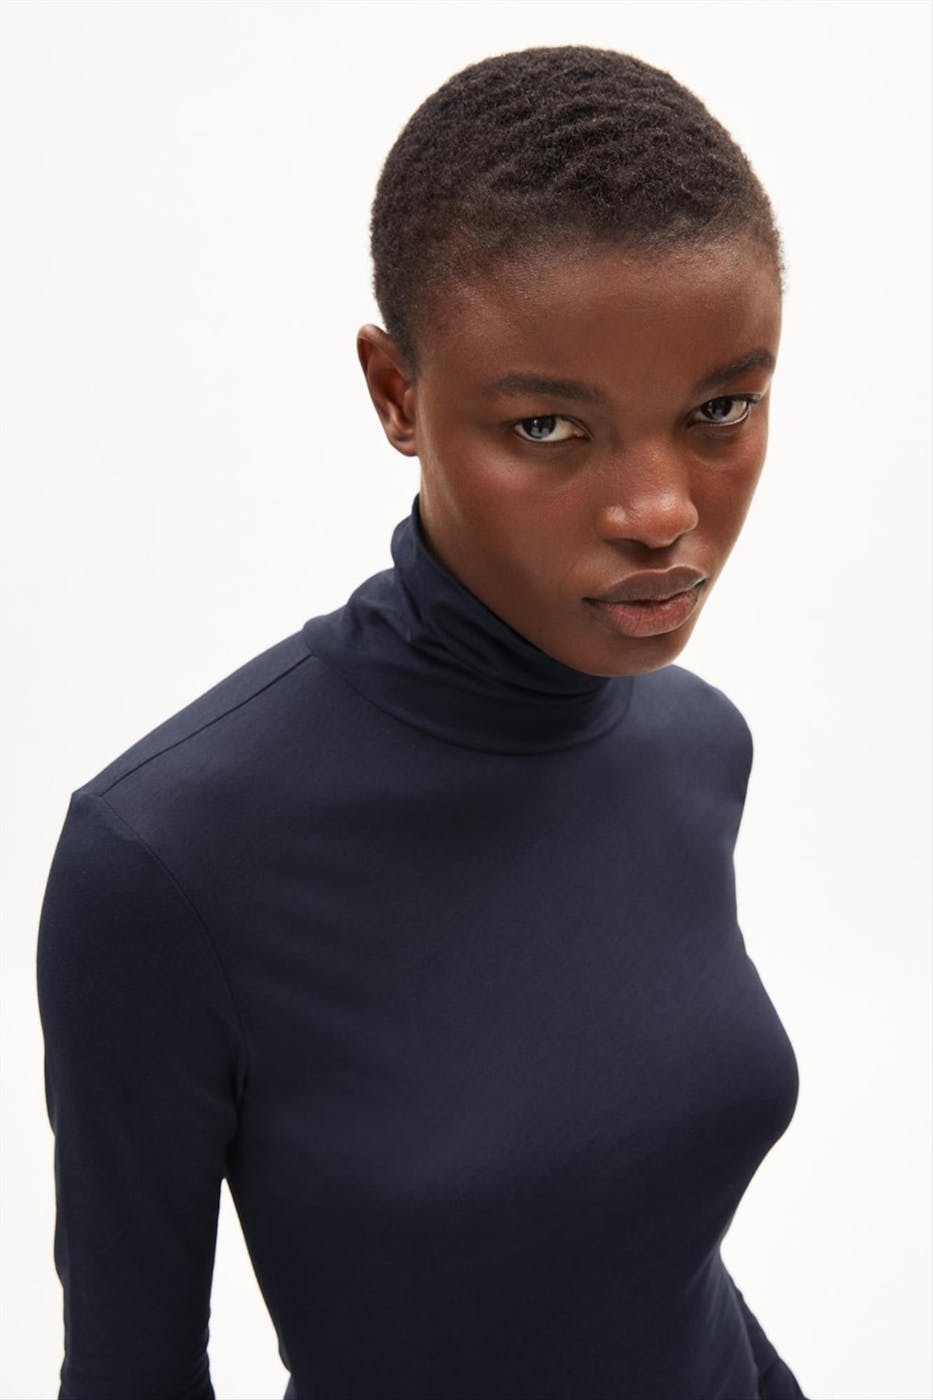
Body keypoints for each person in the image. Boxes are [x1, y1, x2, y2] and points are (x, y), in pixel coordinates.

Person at [36, 43, 810, 1400]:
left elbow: (650, 1264)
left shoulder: (695, 745)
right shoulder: (165, 862)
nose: (660, 511)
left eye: (719, 409)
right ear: (397, 393)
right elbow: (129, 1374)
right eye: (549, 427)